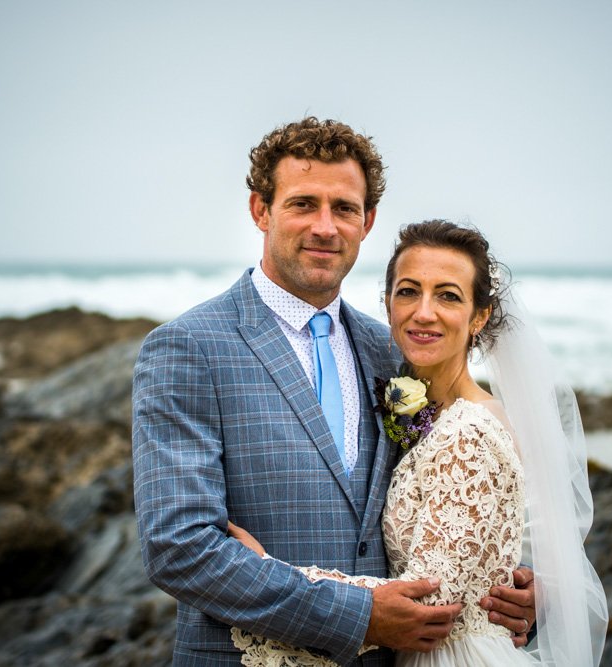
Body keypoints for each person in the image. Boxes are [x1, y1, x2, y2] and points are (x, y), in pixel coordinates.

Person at [132, 119, 535, 667]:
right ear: (260, 210)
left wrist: (509, 590)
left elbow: (455, 500)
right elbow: (179, 548)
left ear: (367, 221)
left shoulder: (391, 351)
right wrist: (358, 615)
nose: (325, 227)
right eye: (303, 204)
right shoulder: (188, 349)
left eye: (344, 208)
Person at [228, 220, 609, 666]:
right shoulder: (415, 400)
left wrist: (272, 576)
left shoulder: (471, 432)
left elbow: (427, 601)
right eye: (408, 291)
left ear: (479, 316)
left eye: (448, 296)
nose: (424, 312)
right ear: (387, 304)